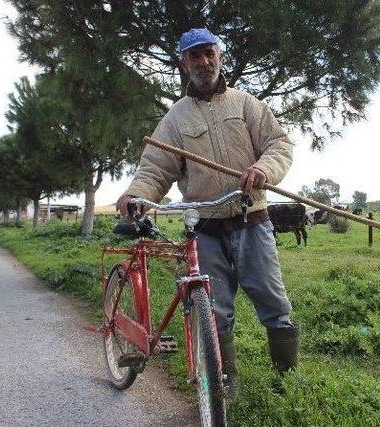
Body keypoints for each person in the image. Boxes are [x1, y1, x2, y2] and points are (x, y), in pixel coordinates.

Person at [117, 28, 298, 394]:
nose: (203, 61)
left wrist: (264, 169)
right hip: (206, 228)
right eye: (194, 56)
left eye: (208, 53)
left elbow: (279, 144)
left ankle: (287, 380)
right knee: (215, 309)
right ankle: (225, 379)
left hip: (252, 220)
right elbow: (155, 168)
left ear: (220, 55)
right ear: (183, 64)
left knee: (273, 301)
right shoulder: (175, 119)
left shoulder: (247, 105)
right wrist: (137, 193)